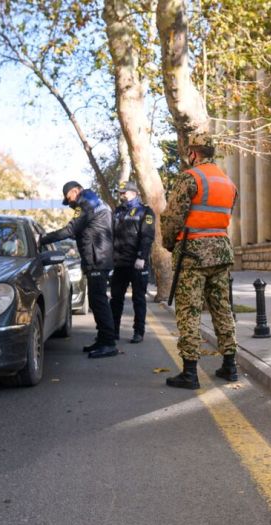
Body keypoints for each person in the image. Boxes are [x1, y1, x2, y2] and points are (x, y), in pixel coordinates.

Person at [161, 132, 239, 390]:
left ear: (193, 153)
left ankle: (190, 372)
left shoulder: (190, 178)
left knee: (189, 311)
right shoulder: (228, 182)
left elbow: (172, 218)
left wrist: (170, 243)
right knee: (222, 308)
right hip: (221, 252)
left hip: (193, 254)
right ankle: (230, 366)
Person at [40, 181, 117, 359]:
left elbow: (70, 229)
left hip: (97, 259)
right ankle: (103, 339)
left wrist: (43, 239)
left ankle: (108, 343)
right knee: (97, 301)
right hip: (99, 257)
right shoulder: (95, 201)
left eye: (70, 199)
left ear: (75, 191)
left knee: (99, 302)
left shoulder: (86, 202)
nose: (71, 204)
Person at [110, 180, 156, 344]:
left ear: (134, 193)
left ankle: (139, 332)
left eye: (124, 192)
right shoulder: (117, 212)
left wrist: (142, 257)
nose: (121, 195)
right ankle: (113, 331)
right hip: (120, 262)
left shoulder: (146, 212)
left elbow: (147, 236)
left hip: (137, 262)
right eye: (120, 192)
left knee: (138, 298)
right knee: (116, 298)